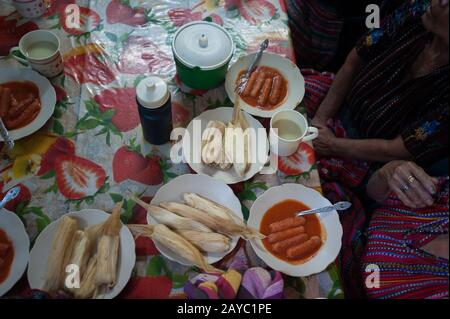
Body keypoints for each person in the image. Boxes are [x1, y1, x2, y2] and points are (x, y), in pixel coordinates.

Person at [301, 0, 448, 188]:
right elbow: (354, 61)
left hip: (367, 156)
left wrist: (331, 144)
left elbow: (397, 149)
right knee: (278, 105)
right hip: (339, 100)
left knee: (311, 184)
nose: (439, 1)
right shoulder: (418, 11)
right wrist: (321, 119)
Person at [323, 161, 448, 298]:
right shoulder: (442, 197)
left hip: (332, 284)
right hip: (343, 211)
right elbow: (375, 193)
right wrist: (389, 172)